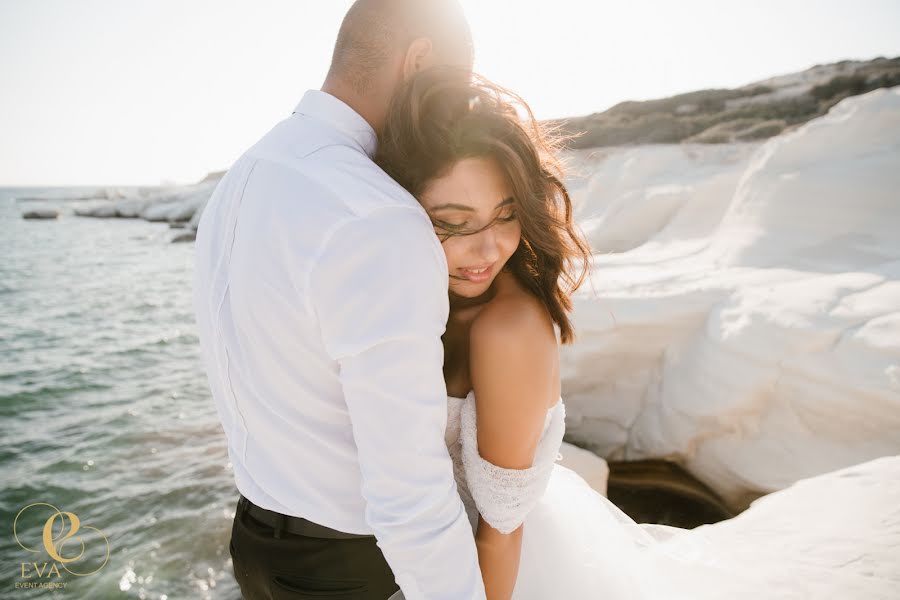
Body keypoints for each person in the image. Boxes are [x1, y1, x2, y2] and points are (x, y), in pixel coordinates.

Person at [374, 67, 900, 600]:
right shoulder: (404, 299)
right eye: (455, 224)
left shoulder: (506, 329)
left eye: (506, 215)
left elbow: (500, 532)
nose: (488, 250)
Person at [192, 2, 488, 599]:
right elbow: (410, 492)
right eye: (457, 89)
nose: (456, 111)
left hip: (254, 545)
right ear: (420, 60)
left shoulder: (246, 175)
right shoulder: (375, 216)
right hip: (350, 569)